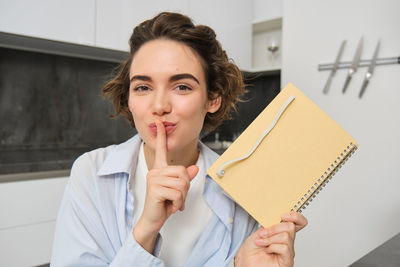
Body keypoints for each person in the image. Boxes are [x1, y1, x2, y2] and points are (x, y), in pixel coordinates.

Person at [51, 12, 308, 267]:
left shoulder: (243, 192)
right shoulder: (91, 174)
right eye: (142, 87)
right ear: (128, 98)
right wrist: (146, 230)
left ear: (212, 99)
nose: (160, 105)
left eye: (182, 86)